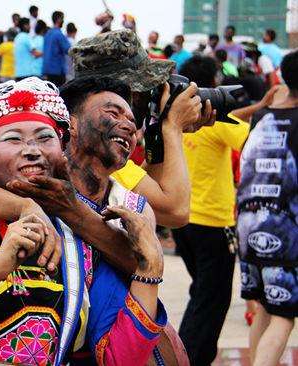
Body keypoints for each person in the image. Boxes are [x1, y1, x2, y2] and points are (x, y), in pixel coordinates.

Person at [0, 77, 167, 365]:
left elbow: (119, 358)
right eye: (13, 139)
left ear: (62, 153)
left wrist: (148, 271)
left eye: (44, 138)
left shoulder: (80, 239)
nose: (32, 150)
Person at [69, 29, 215, 228]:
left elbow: (143, 191)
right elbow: (176, 212)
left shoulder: (82, 139)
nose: (147, 98)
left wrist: (162, 131)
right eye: (144, 90)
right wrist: (173, 127)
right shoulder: (94, 151)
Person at [171, 54, 260, 366]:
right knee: (212, 299)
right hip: (214, 223)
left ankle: (185, 353)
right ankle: (190, 358)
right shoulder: (217, 119)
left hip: (182, 221)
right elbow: (253, 142)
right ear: (215, 83)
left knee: (202, 295)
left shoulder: (176, 117)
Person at [235, 50, 298, 366]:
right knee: (285, 314)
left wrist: (260, 106)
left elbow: (233, 119)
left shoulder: (262, 117)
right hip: (286, 232)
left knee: (263, 306)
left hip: (248, 226)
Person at [42, 11, 70, 86]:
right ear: (59, 19)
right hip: (58, 70)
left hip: (48, 70)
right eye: (62, 19)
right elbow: (68, 50)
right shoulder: (59, 34)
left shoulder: (47, 34)